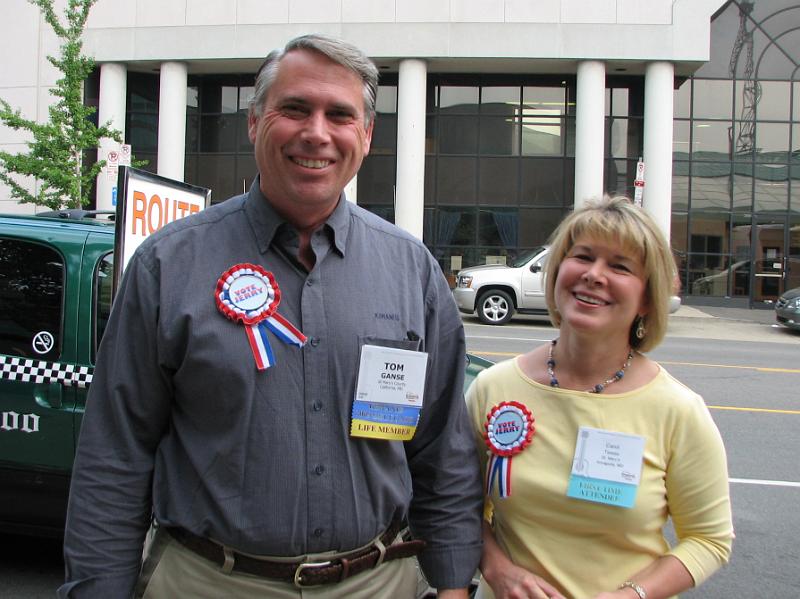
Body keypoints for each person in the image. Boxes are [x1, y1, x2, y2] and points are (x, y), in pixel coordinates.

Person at [60, 33, 483, 599]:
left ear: (366, 135)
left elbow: (442, 453)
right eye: (295, 109)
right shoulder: (168, 265)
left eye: (340, 114)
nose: (317, 132)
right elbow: (115, 456)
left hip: (379, 583)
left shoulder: (414, 273)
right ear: (255, 122)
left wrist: (455, 585)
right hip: (208, 583)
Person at [467, 196, 733, 599]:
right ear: (557, 271)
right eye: (583, 256)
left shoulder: (677, 410)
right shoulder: (494, 387)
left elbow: (710, 540)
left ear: (646, 298)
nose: (594, 275)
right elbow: (456, 504)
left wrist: (631, 595)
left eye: (620, 266)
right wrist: (498, 569)